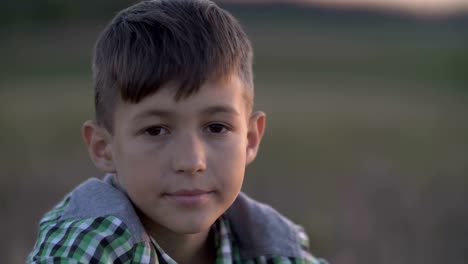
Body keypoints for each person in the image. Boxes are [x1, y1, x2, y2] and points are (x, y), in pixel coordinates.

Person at [28, 0, 326, 263]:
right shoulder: (88, 246)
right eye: (156, 130)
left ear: (249, 139)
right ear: (103, 147)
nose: (190, 161)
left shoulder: (271, 246)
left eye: (216, 127)